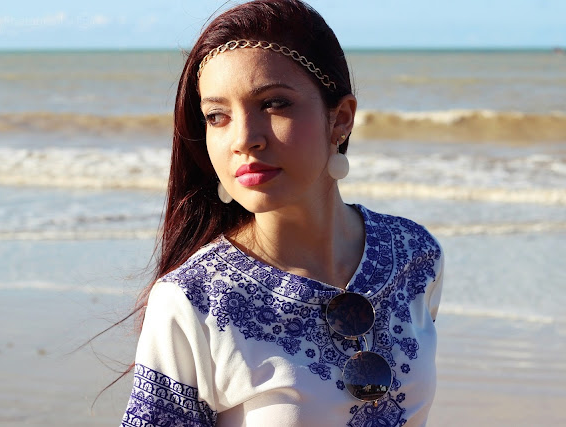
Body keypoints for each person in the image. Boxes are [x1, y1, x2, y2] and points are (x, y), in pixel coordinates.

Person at [120, 1, 443, 426]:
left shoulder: (415, 255)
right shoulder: (193, 300)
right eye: (217, 116)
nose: (243, 139)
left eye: (274, 104)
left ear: (340, 119)